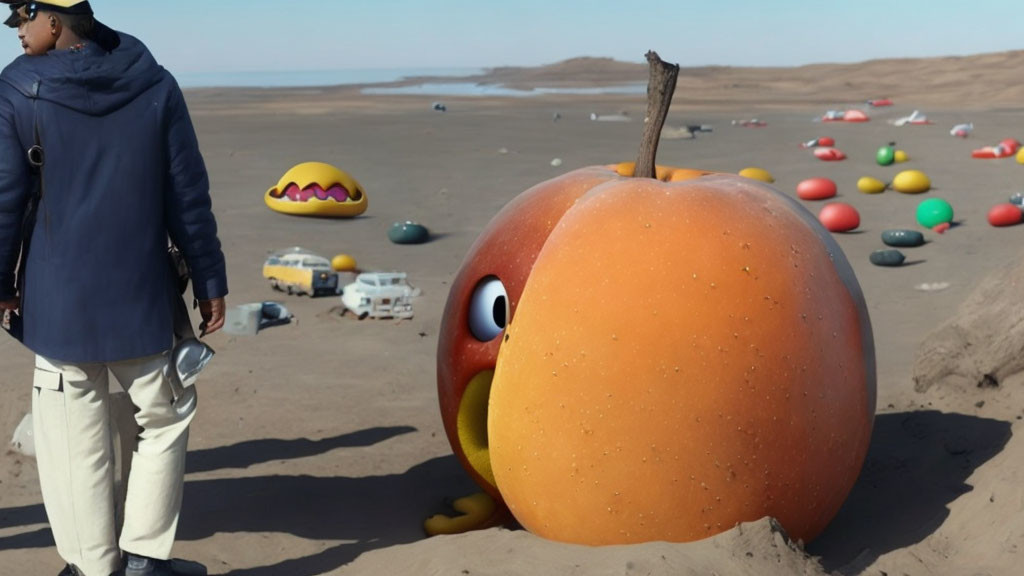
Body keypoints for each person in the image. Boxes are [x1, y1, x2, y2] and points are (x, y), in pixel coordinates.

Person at [0, 2, 228, 575]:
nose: (17, 32)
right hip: (143, 299)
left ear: (52, 21)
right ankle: (146, 561)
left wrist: (2, 282)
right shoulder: (154, 80)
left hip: (58, 306)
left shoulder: (17, 89)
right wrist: (208, 277)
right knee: (165, 418)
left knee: (72, 438)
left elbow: (3, 198)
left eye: (20, 19)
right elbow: (187, 192)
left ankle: (92, 568)